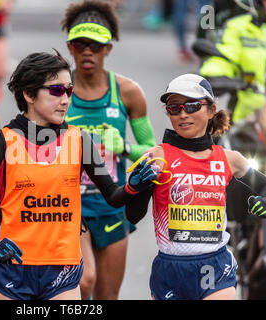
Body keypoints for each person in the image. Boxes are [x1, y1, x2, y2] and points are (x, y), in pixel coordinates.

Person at [0, 50, 157, 300]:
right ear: (28, 94)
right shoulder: (1, 143)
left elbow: (114, 198)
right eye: (56, 91)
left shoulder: (80, 140)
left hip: (63, 269)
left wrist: (136, 186)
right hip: (13, 268)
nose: (65, 100)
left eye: (68, 91)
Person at [125, 73, 266, 300]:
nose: (183, 114)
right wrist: (137, 187)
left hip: (215, 263)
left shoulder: (229, 158)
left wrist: (265, 202)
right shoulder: (158, 156)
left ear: (211, 109)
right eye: (174, 108)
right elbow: (133, 215)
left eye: (192, 105)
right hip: (171, 268)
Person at [60, 0, 156, 300]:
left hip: (114, 205)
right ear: (70, 48)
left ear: (108, 49)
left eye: (96, 46)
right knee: (84, 282)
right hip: (70, 207)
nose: (88, 51)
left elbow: (152, 154)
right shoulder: (57, 91)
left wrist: (124, 147)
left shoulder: (128, 92)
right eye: (80, 45)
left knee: (107, 296)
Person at [199, 0, 266, 124]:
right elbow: (223, 56)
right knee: (212, 137)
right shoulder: (238, 27)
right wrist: (214, 76)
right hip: (249, 118)